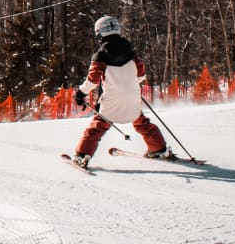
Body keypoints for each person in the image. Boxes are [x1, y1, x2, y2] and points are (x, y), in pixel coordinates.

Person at [70, 16, 171, 168]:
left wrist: (80, 93)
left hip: (111, 100)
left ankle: (82, 155)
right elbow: (142, 75)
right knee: (142, 124)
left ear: (100, 33)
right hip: (133, 97)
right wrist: (128, 84)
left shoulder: (100, 55)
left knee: (96, 128)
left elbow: (93, 81)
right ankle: (158, 149)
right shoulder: (131, 52)